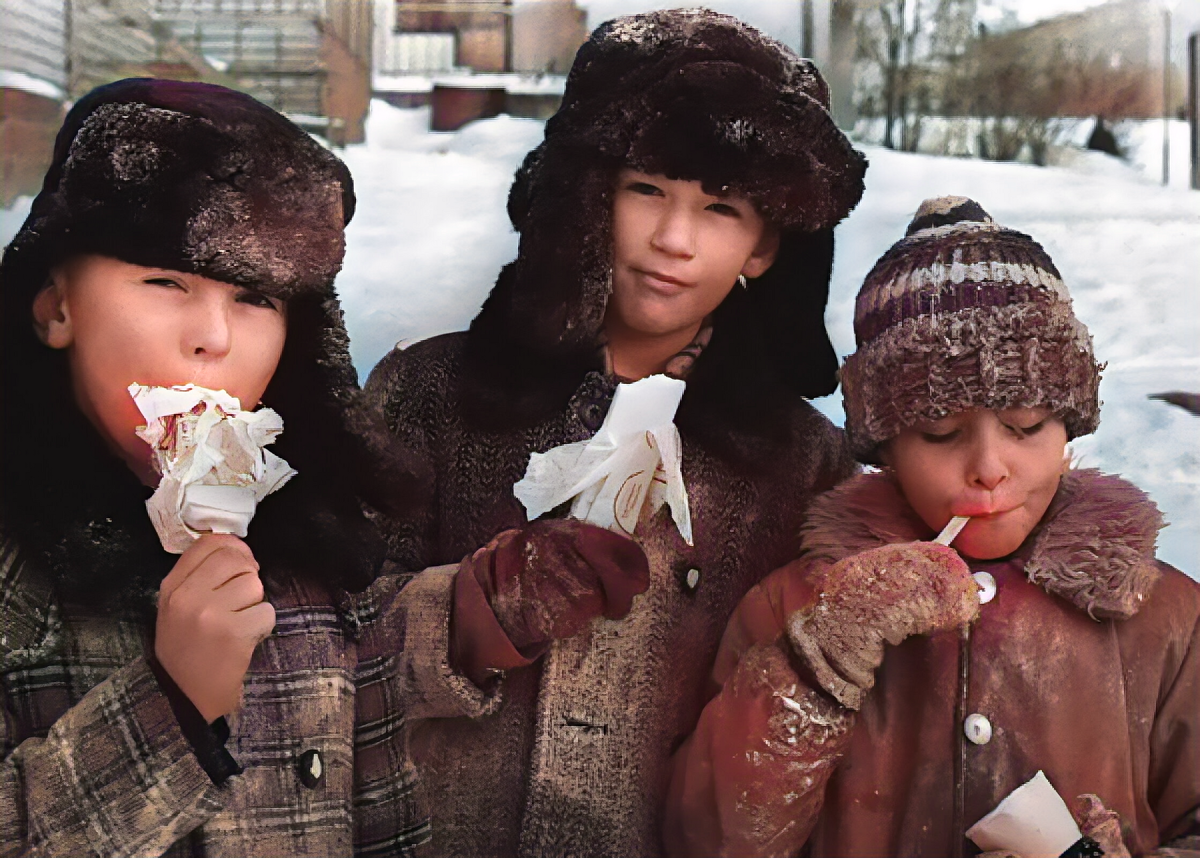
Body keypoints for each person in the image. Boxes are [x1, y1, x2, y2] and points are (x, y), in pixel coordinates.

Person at [363, 9, 867, 856]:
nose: (674, 240)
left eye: (719, 207)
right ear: (585, 193)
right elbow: (314, 645)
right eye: (646, 190)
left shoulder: (805, 463)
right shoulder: (429, 393)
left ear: (764, 245)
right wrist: (466, 616)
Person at [662, 196, 1200, 858]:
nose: (988, 467)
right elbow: (709, 840)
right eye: (940, 433)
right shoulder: (796, 610)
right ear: (884, 447)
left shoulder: (1164, 618)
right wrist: (816, 665)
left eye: (1027, 425)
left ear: (1071, 424)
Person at [0, 78, 435, 856]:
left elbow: (386, 825)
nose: (213, 338)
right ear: (55, 307)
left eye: (256, 298)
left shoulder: (324, 548)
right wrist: (171, 711)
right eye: (167, 282)